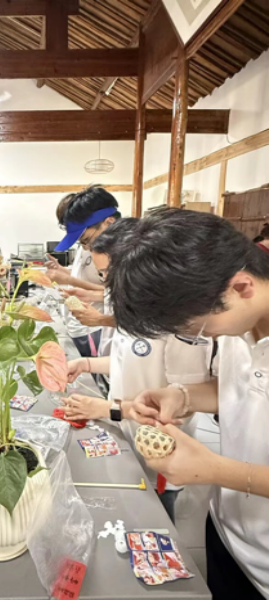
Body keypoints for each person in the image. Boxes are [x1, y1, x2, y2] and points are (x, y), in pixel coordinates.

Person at [98, 208, 269, 600]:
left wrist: (215, 469)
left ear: (241, 287)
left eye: (197, 330)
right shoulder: (239, 322)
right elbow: (241, 388)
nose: (203, 338)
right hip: (228, 532)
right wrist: (183, 395)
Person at [63, 219, 213, 522]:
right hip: (127, 432)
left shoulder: (180, 324)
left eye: (111, 273)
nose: (107, 284)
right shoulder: (134, 311)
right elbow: (127, 362)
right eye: (103, 275)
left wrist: (107, 408)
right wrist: (86, 364)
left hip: (161, 449)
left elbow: (179, 406)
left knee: (153, 521)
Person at [48, 186, 118, 360]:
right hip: (93, 324)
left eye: (87, 240)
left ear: (109, 222)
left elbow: (145, 316)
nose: (87, 248)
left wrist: (101, 319)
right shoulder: (92, 245)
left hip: (99, 325)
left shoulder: (125, 255)